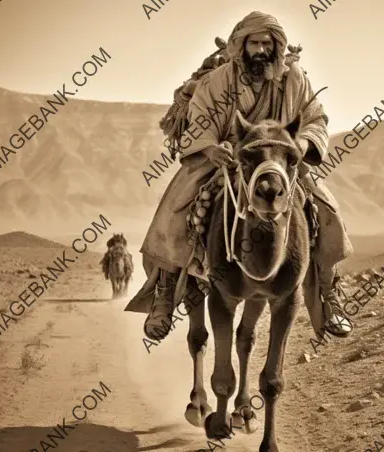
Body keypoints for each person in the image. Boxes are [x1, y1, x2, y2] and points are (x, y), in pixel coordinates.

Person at [128, 10, 354, 341]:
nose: (261, 50)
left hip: (279, 160)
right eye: (254, 43)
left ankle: (329, 293)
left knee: (326, 210)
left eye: (267, 43)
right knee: (176, 209)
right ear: (241, 45)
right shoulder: (218, 79)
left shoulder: (294, 79)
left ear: (277, 46)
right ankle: (165, 293)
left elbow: (315, 118)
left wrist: (300, 145)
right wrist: (208, 149)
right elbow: (201, 117)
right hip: (227, 157)